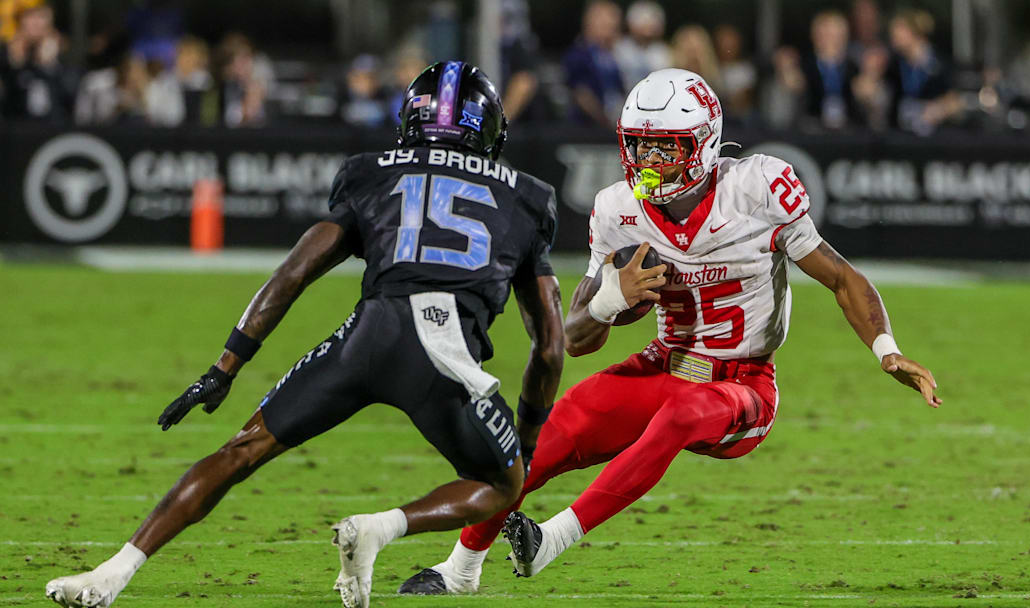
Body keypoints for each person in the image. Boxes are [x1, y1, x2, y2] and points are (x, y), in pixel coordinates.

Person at [399, 68, 941, 594]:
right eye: (640, 146)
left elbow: (841, 277)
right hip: (664, 365)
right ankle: (459, 571)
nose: (650, 161)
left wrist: (887, 351)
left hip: (743, 385)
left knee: (681, 414)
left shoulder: (757, 189)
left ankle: (552, 540)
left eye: (667, 147)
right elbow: (574, 338)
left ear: (704, 145)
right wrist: (613, 298)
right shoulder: (618, 210)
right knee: (546, 435)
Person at [44, 61, 565, 608]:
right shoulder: (526, 197)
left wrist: (226, 368)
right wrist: (525, 440)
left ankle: (110, 573)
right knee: (501, 487)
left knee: (241, 450)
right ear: (490, 128)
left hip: (370, 331)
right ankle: (380, 529)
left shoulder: (374, 171)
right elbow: (549, 346)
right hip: (442, 345)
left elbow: (293, 272)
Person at [562, 0, 624, 126]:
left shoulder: (613, 56)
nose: (612, 29)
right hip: (586, 129)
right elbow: (581, 93)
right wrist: (605, 121)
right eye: (606, 24)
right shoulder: (578, 54)